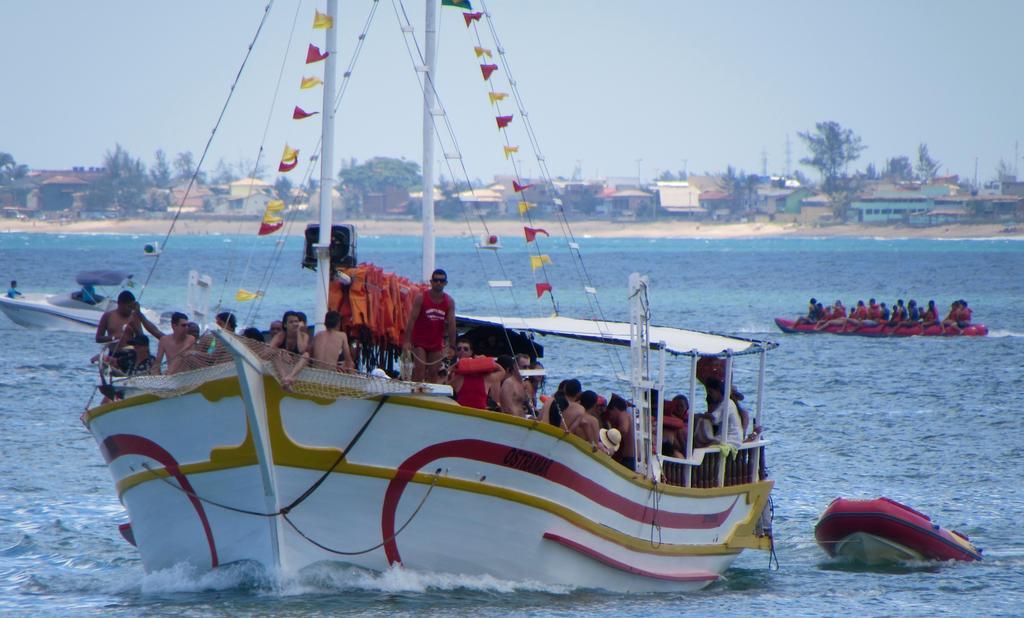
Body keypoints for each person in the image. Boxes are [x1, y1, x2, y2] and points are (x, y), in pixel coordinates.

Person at [403, 269, 456, 383]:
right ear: (431, 282)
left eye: (441, 281)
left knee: (433, 373)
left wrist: (452, 346)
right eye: (436, 280)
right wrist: (407, 341)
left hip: (436, 343)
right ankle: (414, 393)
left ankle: (428, 396)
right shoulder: (421, 298)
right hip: (420, 342)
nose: (438, 283)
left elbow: (452, 324)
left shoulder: (449, 302)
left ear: (445, 283)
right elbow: (411, 320)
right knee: (419, 370)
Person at [283, 310, 355, 390]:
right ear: (338, 324)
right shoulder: (342, 335)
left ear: (325, 323)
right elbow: (348, 360)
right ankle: (353, 386)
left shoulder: (318, 334)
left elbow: (309, 354)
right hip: (330, 374)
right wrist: (345, 365)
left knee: (306, 355)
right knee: (351, 364)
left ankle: (291, 376)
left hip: (316, 372)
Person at [695, 377, 743, 448]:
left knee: (703, 446)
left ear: (718, 391)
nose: (710, 395)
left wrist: (699, 415)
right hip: (727, 436)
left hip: (731, 438)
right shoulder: (723, 403)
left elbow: (714, 418)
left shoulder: (726, 403)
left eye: (711, 392)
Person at [604, 393, 636, 470]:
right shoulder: (630, 416)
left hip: (629, 458)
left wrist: (611, 440)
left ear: (615, 409)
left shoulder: (623, 415)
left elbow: (624, 430)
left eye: (610, 413)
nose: (610, 416)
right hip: (632, 458)